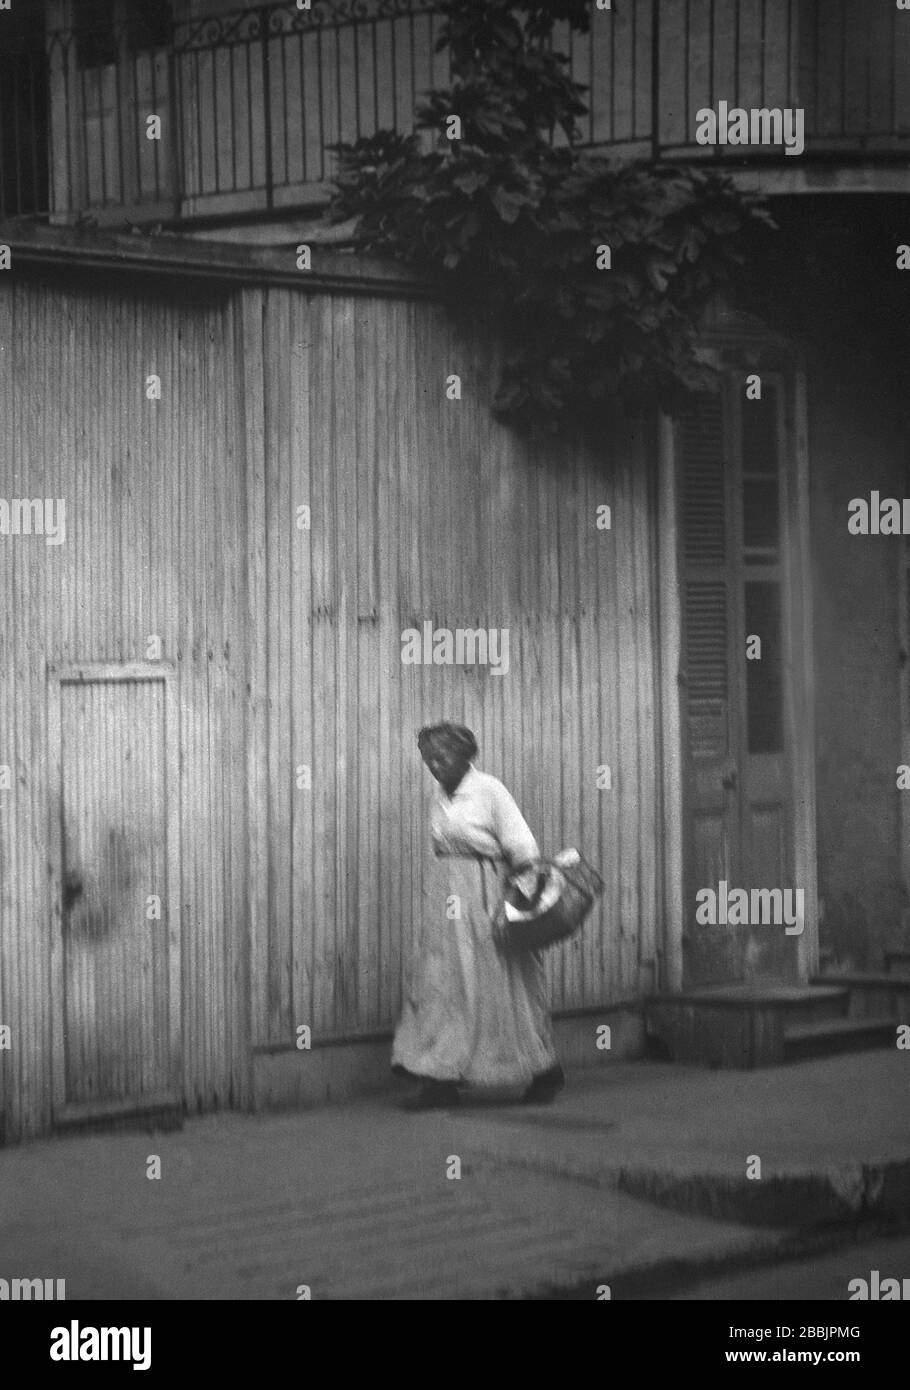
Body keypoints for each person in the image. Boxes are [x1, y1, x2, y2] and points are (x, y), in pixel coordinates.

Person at [392, 721, 565, 1110]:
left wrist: (517, 902)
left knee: (500, 985)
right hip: (446, 897)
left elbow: (523, 847)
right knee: (444, 983)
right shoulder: (440, 795)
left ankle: (544, 1072)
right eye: (428, 759)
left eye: (443, 757)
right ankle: (441, 1079)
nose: (435, 765)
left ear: (466, 755)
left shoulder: (489, 790)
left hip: (486, 895)